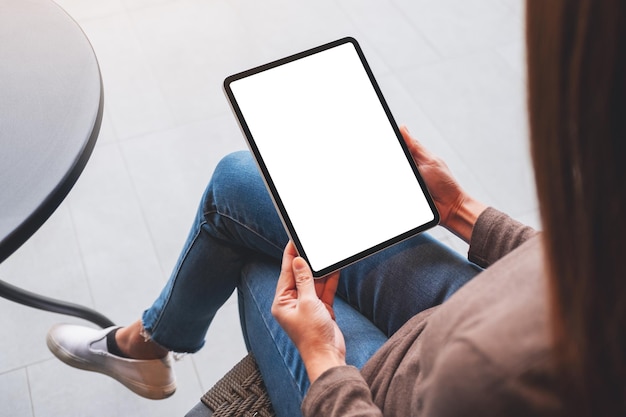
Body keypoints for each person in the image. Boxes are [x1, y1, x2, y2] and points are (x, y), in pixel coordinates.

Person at [47, 0, 626, 416]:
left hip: (399, 385)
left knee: (259, 266)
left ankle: (146, 344)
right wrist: (460, 210)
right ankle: (148, 342)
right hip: (499, 305)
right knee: (237, 181)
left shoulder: (490, 375)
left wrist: (322, 360)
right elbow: (587, 261)